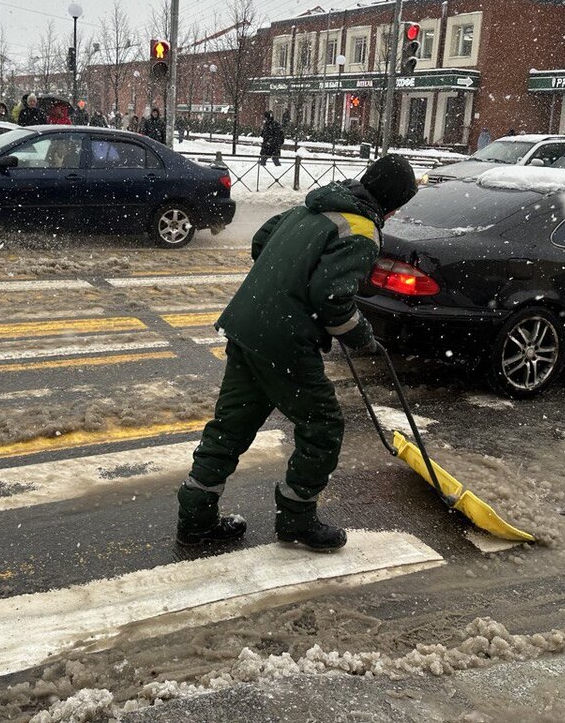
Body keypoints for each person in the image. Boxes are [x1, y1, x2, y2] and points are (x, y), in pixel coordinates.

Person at [176, 155, 419, 552]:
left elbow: (261, 240)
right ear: (395, 203)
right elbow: (332, 298)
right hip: (284, 339)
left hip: (246, 324)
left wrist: (287, 276)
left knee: (231, 426)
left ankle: (195, 519)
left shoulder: (316, 204)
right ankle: (296, 519)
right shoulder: (361, 229)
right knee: (323, 427)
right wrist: (362, 338)